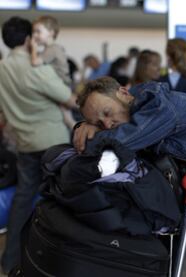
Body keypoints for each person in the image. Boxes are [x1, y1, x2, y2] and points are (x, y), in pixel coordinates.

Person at [0, 16, 77, 274]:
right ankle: (52, 262)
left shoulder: (2, 69)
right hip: (52, 143)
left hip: (23, 144)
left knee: (22, 202)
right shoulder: (36, 67)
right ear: (27, 39)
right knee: (59, 201)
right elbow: (67, 99)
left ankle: (10, 261)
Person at [31, 15, 76, 128]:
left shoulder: (52, 49)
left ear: (51, 32)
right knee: (66, 118)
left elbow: (35, 63)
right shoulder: (49, 49)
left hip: (62, 85)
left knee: (67, 119)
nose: (35, 35)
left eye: (38, 31)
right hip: (60, 84)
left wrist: (33, 48)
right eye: (33, 32)